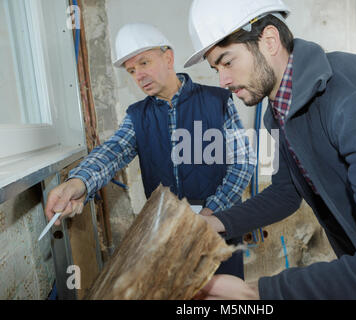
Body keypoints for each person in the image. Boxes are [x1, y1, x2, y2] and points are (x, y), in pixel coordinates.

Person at [184, 0, 356, 299]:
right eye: (215, 68)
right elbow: (285, 193)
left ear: (269, 41)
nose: (223, 81)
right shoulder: (279, 111)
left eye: (228, 62)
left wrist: (258, 292)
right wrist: (213, 224)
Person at [44, 23, 256, 279]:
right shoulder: (137, 116)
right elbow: (113, 152)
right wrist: (78, 183)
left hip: (219, 228)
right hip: (167, 232)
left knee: (225, 296)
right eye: (131, 70)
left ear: (168, 57)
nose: (139, 75)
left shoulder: (217, 100)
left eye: (144, 63)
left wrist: (211, 212)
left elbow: (243, 162)